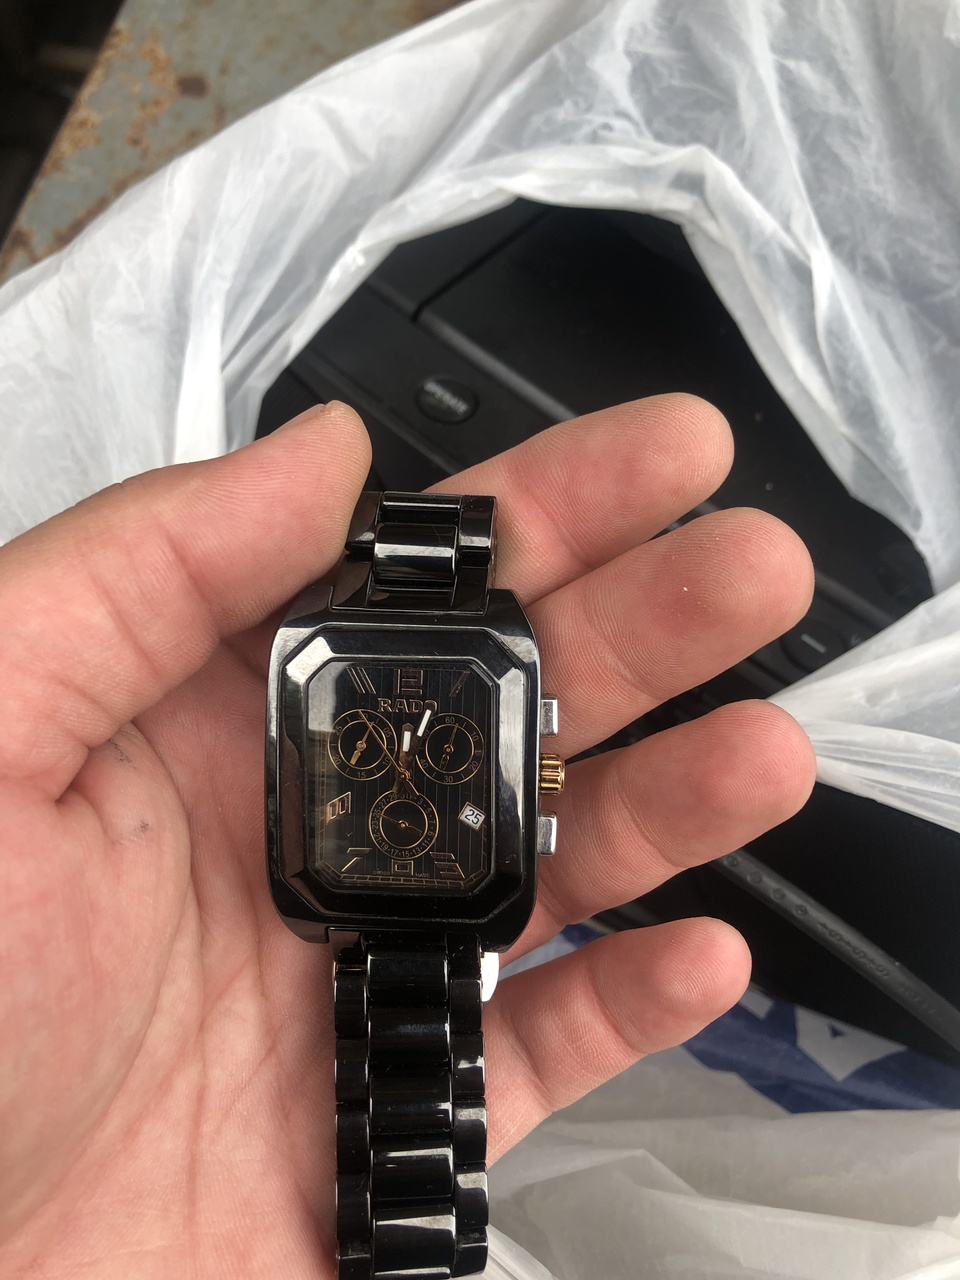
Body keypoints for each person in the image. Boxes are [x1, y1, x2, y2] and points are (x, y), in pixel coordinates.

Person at [0, 395, 815, 1277]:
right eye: (359, 747)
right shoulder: (354, 681)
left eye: (453, 752)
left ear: (533, 759)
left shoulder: (356, 690)